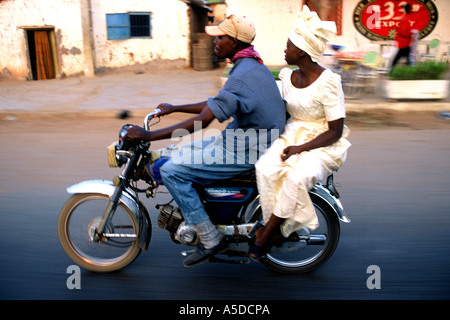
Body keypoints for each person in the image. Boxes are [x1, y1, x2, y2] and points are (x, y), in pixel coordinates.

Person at [124, 15, 286, 267]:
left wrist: (148, 135)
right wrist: (175, 108)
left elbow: (204, 119)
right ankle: (199, 212)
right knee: (174, 151)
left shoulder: (242, 74)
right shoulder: (250, 66)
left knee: (171, 171)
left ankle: (210, 238)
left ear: (234, 41)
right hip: (241, 140)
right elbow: (215, 104)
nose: (216, 42)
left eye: (220, 37)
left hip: (247, 149)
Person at [249, 6, 351, 261]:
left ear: (302, 51)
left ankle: (268, 234)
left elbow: (335, 130)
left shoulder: (328, 81)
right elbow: (278, 109)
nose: (285, 50)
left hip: (323, 141)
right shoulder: (287, 76)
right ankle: (279, 226)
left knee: (295, 178)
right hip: (292, 133)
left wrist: (300, 149)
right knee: (264, 168)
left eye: (288, 46)